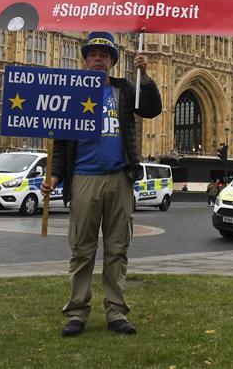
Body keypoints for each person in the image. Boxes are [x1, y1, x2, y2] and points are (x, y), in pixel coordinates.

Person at [41, 32, 161, 337]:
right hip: (83, 177)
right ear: (85, 60)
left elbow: (151, 108)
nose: (98, 59)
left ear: (112, 62)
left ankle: (115, 311)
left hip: (119, 177)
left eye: (104, 55)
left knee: (117, 248)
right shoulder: (71, 93)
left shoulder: (123, 90)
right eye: (93, 54)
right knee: (82, 249)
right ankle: (77, 312)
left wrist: (145, 73)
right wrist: (54, 176)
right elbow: (62, 140)